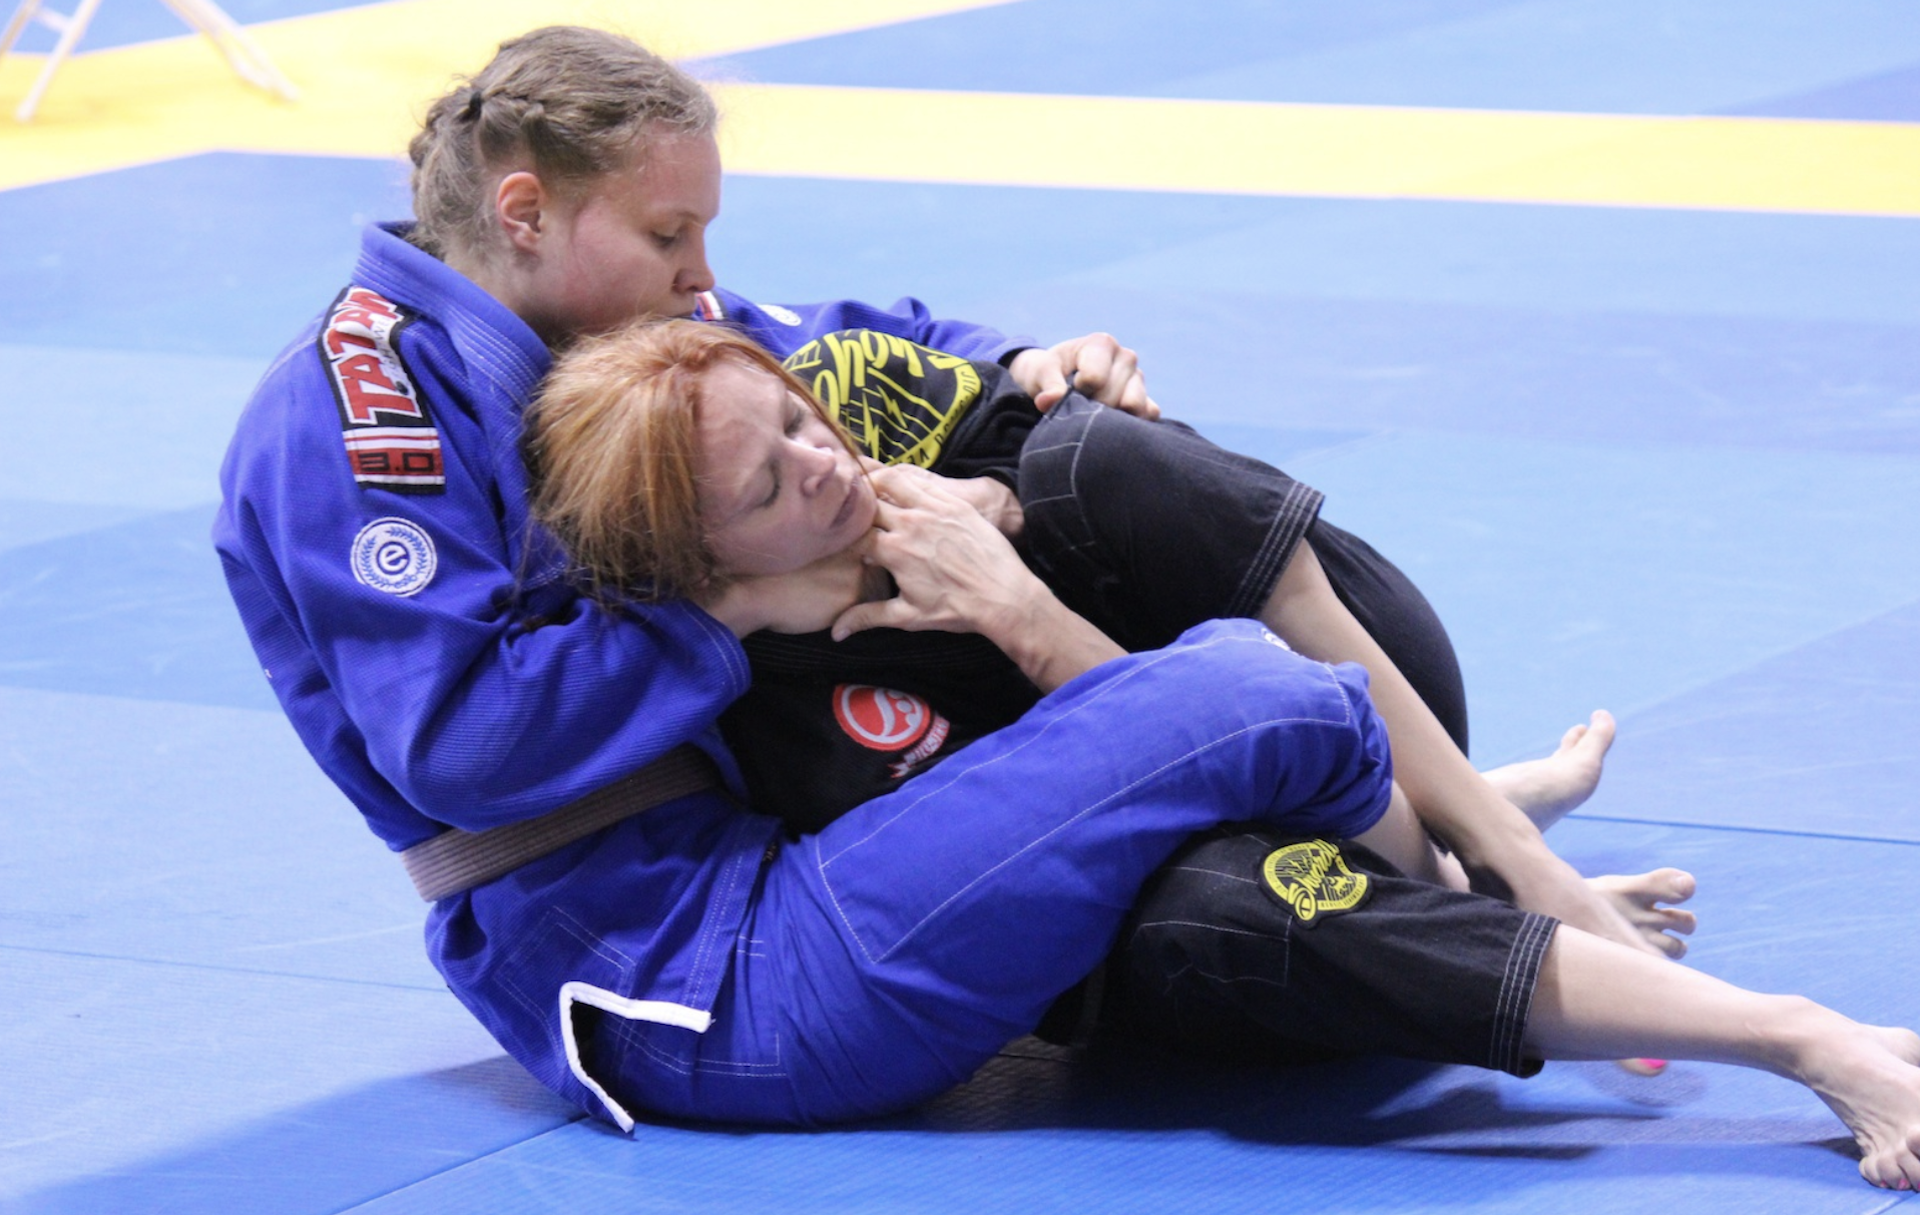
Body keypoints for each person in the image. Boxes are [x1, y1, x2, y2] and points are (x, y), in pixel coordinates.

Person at [213, 23, 1430, 1135]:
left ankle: (1421, 821)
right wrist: (725, 614)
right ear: (524, 211)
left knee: (1075, 457)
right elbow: (461, 747)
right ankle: (1479, 875)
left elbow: (829, 343)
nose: (699, 274)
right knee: (1227, 758)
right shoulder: (361, 414)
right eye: (668, 235)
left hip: (788, 823)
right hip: (651, 937)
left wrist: (1025, 363)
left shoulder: (602, 326)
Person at [525, 317, 1920, 1189]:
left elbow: (1125, 462)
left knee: (1099, 464)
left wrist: (1018, 512)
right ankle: (1793, 1033)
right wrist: (1027, 627)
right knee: (1231, 897)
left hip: (1354, 697)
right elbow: (1183, 748)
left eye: (792, 420)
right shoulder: (780, 725)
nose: (821, 463)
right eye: (769, 485)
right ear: (704, 572)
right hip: (1209, 907)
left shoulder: (899, 425)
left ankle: (1498, 844)